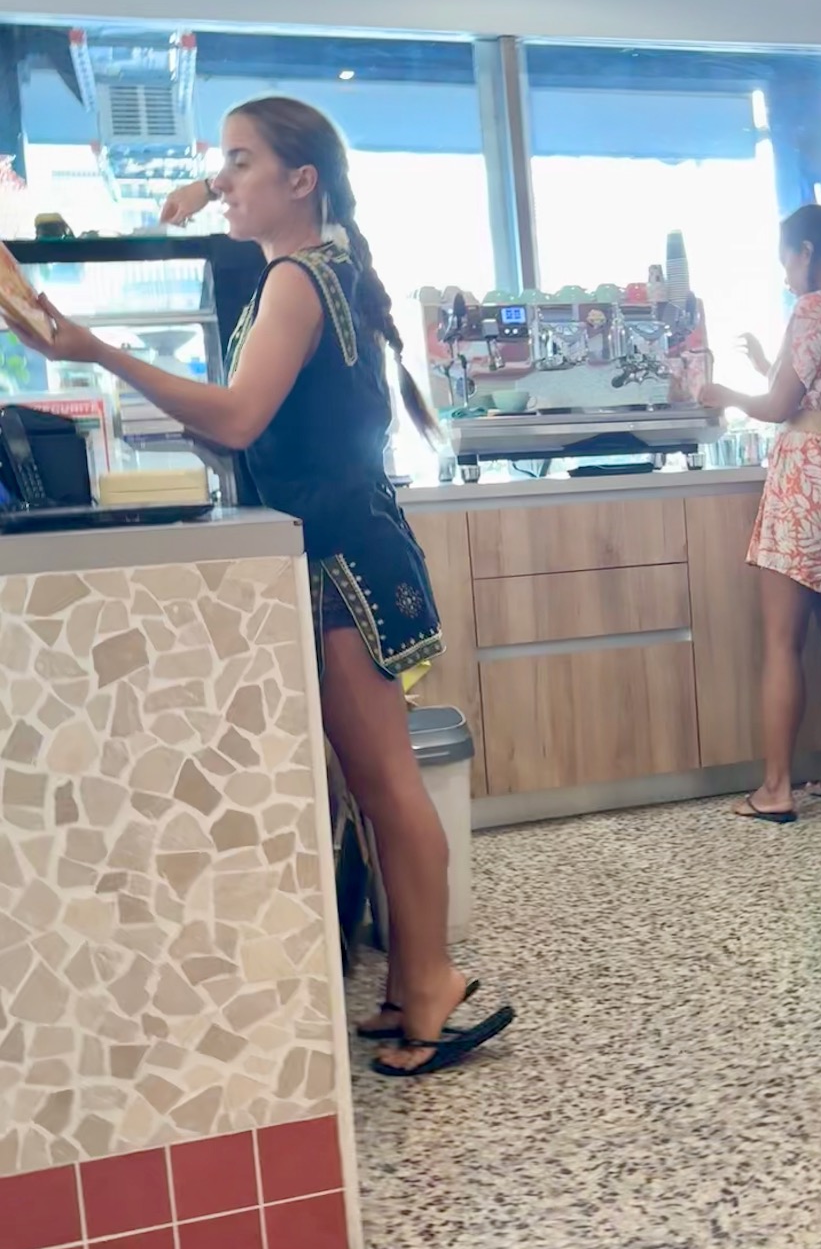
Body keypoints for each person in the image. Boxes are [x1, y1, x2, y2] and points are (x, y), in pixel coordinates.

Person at [6, 98, 513, 1078]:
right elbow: (271, 425)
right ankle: (412, 978)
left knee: (386, 784)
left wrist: (101, 352)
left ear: (300, 180)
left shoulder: (292, 276)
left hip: (343, 567)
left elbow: (239, 419)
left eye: (241, 161)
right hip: (360, 551)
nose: (224, 179)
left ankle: (436, 974)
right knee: (377, 784)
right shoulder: (324, 268)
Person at [698, 201, 821, 823]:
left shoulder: (810, 309)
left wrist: (725, 393)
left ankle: (776, 789)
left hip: (804, 480)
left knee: (782, 642)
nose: (784, 275)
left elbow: (780, 406)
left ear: (806, 251)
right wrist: (760, 368)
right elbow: (819, 388)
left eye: (785, 259)